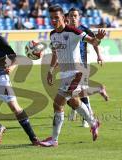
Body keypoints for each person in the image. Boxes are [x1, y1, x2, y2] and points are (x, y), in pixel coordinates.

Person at [40, 5, 108, 147]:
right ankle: (93, 123)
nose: (53, 20)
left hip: (77, 73)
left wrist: (98, 39)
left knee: (58, 103)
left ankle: (54, 139)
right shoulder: (52, 34)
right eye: (51, 18)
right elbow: (55, 54)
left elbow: (93, 41)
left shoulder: (73, 31)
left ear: (63, 18)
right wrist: (51, 70)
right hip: (65, 74)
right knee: (73, 102)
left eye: (56, 17)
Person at [67, 7, 108, 128]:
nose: (73, 18)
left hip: (81, 65)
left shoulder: (84, 30)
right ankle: (77, 109)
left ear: (79, 17)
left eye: (75, 16)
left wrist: (99, 55)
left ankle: (87, 118)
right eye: (71, 16)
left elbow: (94, 42)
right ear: (67, 17)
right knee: (71, 92)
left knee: (82, 93)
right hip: (68, 66)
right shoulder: (65, 30)